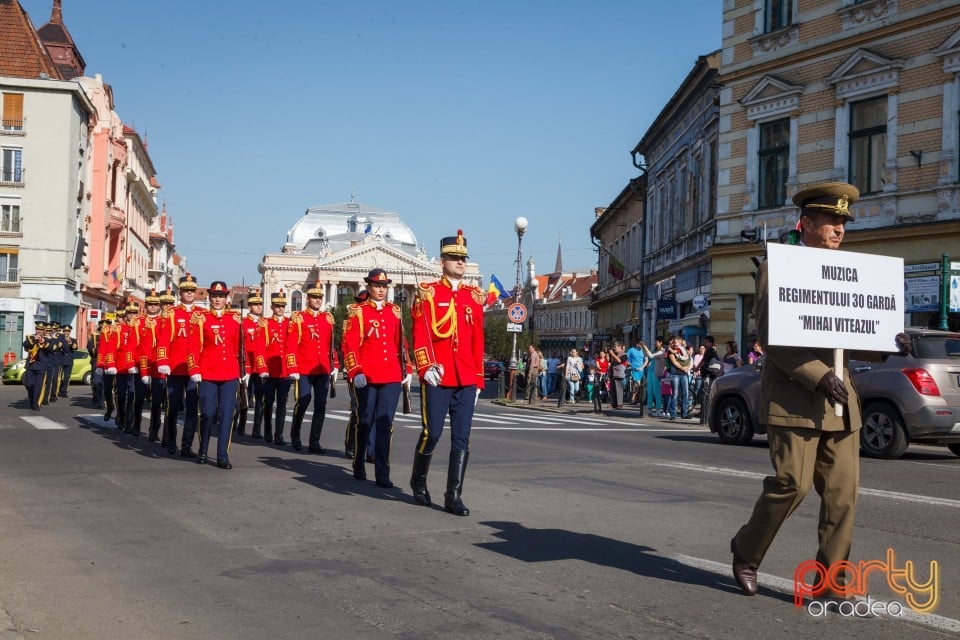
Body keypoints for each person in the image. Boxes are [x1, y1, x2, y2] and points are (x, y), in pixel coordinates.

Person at [731, 182, 905, 599]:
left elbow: (852, 334)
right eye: (831, 221)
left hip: (840, 400)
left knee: (842, 496)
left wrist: (887, 343)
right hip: (795, 395)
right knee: (792, 483)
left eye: (843, 222)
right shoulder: (780, 266)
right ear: (806, 224)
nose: (839, 229)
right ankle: (747, 550)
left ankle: (831, 583)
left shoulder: (850, 273)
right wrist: (817, 375)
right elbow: (771, 336)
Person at [409, 230, 485, 516]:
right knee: (433, 432)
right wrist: (425, 366)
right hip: (438, 377)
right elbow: (420, 333)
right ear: (442, 261)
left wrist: (478, 380)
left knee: (462, 437)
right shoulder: (428, 292)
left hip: (465, 377)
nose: (460, 262)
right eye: (454, 258)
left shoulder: (474, 296)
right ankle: (418, 481)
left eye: (463, 258)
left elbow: (478, 340)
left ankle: (453, 495)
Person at [342, 269, 412, 487]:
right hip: (368, 375)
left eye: (384, 286)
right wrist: (356, 371)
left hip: (391, 374)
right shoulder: (358, 311)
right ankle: (358, 462)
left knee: (385, 423)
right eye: (377, 286)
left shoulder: (395, 311)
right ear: (369, 287)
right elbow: (349, 344)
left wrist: (407, 368)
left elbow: (401, 343)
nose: (381, 290)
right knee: (365, 421)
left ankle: (382, 471)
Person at [188, 281, 247, 469]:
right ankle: (203, 450)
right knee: (207, 413)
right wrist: (194, 368)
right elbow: (193, 346)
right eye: (214, 296)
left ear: (226, 298)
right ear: (209, 298)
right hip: (207, 373)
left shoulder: (235, 319)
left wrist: (246, 370)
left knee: (227, 414)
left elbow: (240, 347)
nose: (217, 299)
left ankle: (222, 455)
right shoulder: (200, 319)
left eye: (220, 296)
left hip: (230, 373)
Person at [285, 279, 336, 452]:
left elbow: (331, 344)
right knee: (303, 402)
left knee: (321, 405)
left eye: (319, 297)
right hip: (305, 369)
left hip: (322, 369)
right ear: (308, 298)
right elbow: (290, 345)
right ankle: (295, 434)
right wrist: (292, 368)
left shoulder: (327, 319)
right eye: (314, 297)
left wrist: (334, 364)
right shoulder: (299, 318)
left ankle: (315, 441)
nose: (317, 300)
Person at [157, 273, 203, 457]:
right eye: (186, 291)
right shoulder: (172, 313)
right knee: (173, 406)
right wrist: (163, 361)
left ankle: (186, 446)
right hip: (175, 367)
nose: (189, 294)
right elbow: (163, 340)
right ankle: (170, 440)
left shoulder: (201, 314)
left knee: (193, 408)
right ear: (180, 293)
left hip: (195, 369)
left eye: (192, 291)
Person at [255, 290, 290, 444]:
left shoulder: (291, 323)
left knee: (282, 404)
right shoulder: (266, 323)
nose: (280, 309)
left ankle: (279, 434)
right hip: (270, 371)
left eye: (282, 306)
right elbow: (260, 348)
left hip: (285, 371)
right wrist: (262, 368)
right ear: (272, 307)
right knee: (268, 403)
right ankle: (268, 431)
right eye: (277, 306)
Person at [133, 290, 165, 439]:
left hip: (158, 365)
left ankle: (154, 429)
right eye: (150, 304)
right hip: (142, 364)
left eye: (155, 304)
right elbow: (133, 345)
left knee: (156, 401)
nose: (153, 307)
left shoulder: (164, 321)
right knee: (139, 398)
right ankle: (136, 424)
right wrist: (132, 363)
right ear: (146, 306)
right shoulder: (138, 321)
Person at [233, 289, 265, 438]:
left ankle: (257, 429)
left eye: (260, 304)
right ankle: (240, 424)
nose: (259, 307)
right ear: (250, 306)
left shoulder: (264, 323)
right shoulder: (243, 322)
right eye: (255, 304)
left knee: (260, 398)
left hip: (259, 366)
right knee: (242, 397)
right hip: (246, 365)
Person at [22, 322, 51, 411]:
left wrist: (42, 341)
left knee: (38, 386)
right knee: (29, 384)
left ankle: (36, 404)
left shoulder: (48, 339)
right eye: (38, 329)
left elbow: (51, 348)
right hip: (31, 365)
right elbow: (25, 345)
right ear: (36, 329)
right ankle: (31, 399)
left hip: (41, 365)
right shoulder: (30, 337)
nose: (40, 331)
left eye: (42, 329)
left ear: (44, 330)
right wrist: (34, 339)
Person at [642, 338, 665, 416]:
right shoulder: (655, 351)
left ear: (661, 342)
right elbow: (648, 355)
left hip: (657, 373)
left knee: (656, 391)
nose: (655, 343)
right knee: (650, 391)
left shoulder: (662, 352)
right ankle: (649, 408)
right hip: (650, 371)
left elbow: (651, 356)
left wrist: (645, 347)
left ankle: (658, 409)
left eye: (656, 342)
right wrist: (643, 347)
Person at [624, 339, 647, 405]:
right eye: (641, 344)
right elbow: (626, 357)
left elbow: (646, 360)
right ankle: (633, 398)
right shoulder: (631, 350)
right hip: (635, 370)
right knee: (637, 384)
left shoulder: (643, 351)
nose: (642, 346)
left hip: (642, 370)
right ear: (637, 344)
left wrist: (642, 367)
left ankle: (638, 398)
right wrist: (629, 363)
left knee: (642, 386)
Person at [57, 324, 77, 398]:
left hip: (68, 360)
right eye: (65, 331)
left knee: (66, 377)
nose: (66, 332)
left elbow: (75, 347)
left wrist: (70, 343)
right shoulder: (59, 338)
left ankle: (64, 391)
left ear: (70, 332)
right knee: (58, 376)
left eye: (68, 331)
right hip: (60, 359)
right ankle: (57, 390)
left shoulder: (73, 339)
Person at [606, 342, 628, 409]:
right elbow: (609, 361)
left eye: (615, 346)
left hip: (619, 374)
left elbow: (619, 361)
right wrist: (608, 353)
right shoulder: (615, 354)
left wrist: (612, 354)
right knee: (612, 389)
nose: (614, 348)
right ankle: (613, 403)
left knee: (619, 389)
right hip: (613, 373)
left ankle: (620, 404)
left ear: (620, 346)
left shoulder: (624, 355)